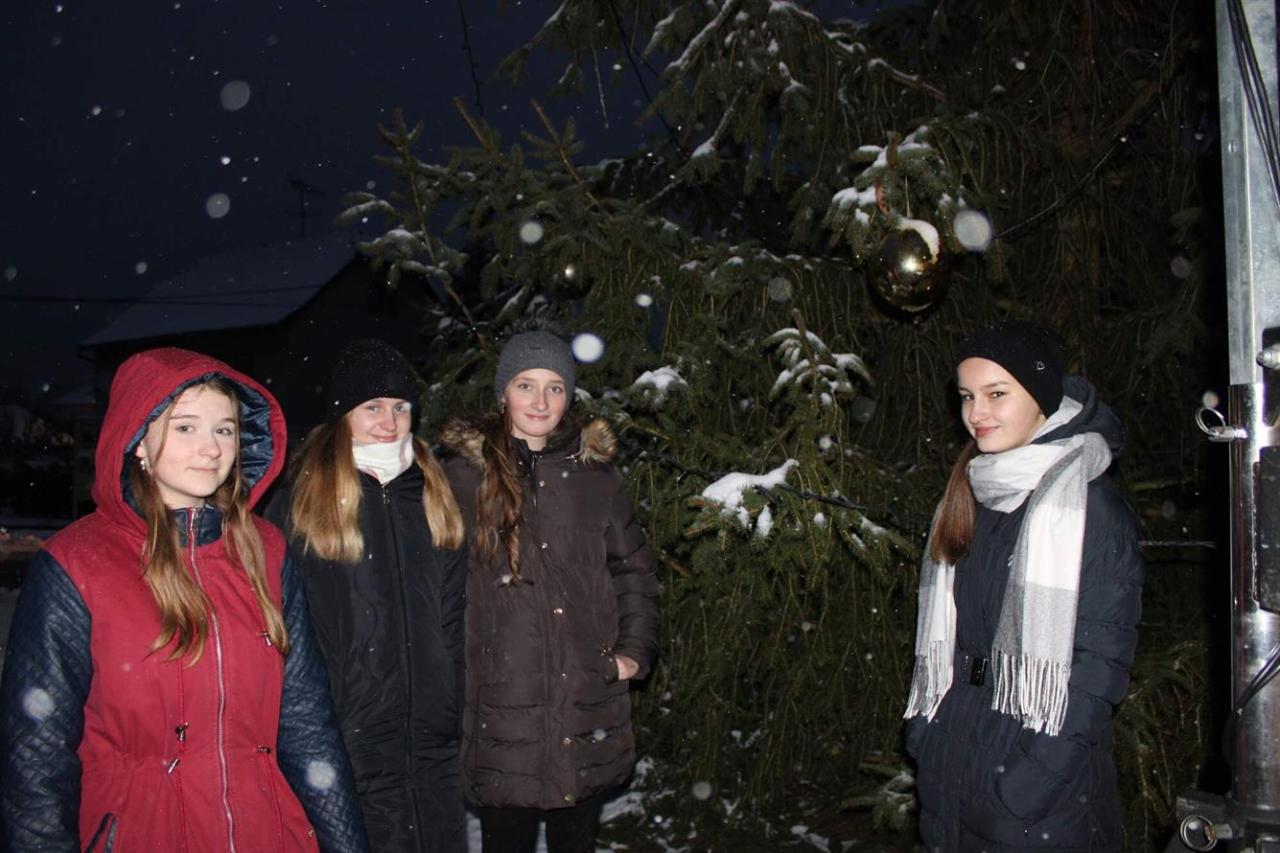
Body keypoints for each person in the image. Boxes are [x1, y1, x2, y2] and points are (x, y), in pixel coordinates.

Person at [0, 347, 367, 852]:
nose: (211, 448)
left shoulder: (265, 551)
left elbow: (306, 723)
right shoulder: (77, 564)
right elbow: (35, 756)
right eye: (186, 427)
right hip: (143, 834)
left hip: (265, 833)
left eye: (225, 429)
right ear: (139, 441)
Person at [903, 321, 1144, 851]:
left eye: (996, 394)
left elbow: (1099, 669)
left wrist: (1028, 783)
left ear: (1040, 397)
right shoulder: (973, 494)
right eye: (967, 396)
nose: (976, 413)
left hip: (1036, 781)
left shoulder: (1088, 508)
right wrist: (928, 735)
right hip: (955, 750)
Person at [441, 330, 661, 853]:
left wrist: (632, 653)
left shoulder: (596, 477)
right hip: (501, 706)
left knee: (576, 839)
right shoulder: (461, 479)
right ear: (503, 392)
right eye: (526, 385)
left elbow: (633, 570)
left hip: (585, 699)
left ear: (569, 397)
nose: (540, 401)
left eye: (555, 387)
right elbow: (436, 586)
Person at [265, 338, 468, 852]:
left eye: (401, 407)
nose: (390, 421)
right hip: (350, 737)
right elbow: (283, 628)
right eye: (373, 406)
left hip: (433, 738)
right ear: (343, 416)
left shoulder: (433, 495)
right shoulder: (301, 503)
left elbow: (453, 616)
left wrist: (453, 699)